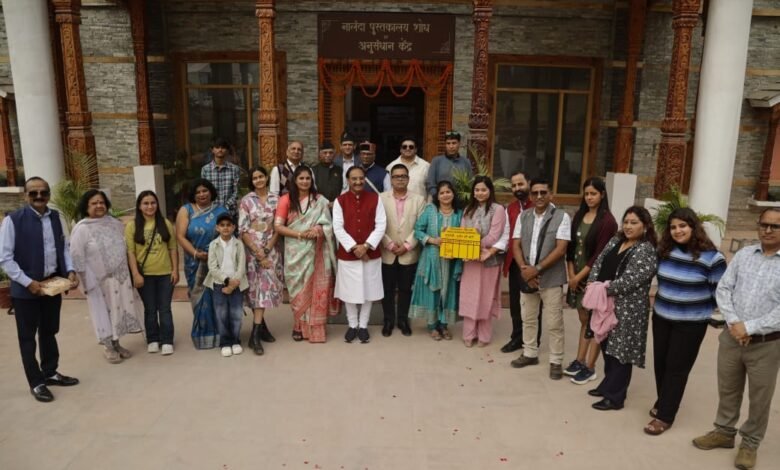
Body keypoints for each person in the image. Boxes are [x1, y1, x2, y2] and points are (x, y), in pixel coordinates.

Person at [692, 207, 780, 470]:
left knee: (760, 397)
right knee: (728, 388)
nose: (768, 230)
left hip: (766, 344)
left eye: (775, 226)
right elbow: (724, 289)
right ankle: (724, 432)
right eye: (764, 224)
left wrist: (749, 328)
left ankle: (750, 443)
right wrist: (735, 323)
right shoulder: (743, 255)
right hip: (732, 337)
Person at [643, 208, 725, 434]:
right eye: (673, 227)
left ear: (693, 227)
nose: (677, 231)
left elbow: (720, 293)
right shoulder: (664, 252)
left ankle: (665, 416)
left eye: (683, 226)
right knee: (661, 364)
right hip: (661, 317)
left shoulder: (712, 258)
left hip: (690, 324)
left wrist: (699, 307)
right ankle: (664, 400)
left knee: (676, 368)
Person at [0, 177, 80, 402]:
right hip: (26, 290)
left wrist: (70, 270)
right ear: (25, 195)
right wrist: (28, 282)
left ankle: (50, 372)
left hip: (51, 286)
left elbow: (64, 248)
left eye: (43, 192)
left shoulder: (56, 217)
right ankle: (36, 382)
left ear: (48, 195)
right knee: (27, 338)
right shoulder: (13, 220)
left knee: (49, 331)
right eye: (33, 193)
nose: (39, 196)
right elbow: (5, 258)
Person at [586, 206, 657, 411]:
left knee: (621, 352)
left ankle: (615, 397)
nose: (628, 226)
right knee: (607, 346)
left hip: (628, 309)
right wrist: (592, 283)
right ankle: (608, 385)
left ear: (645, 226)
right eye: (626, 222)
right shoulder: (616, 241)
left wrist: (601, 289)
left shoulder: (646, 249)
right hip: (605, 304)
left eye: (634, 222)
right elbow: (598, 263)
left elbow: (631, 281)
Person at [70, 190, 145, 364]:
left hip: (119, 278)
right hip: (97, 280)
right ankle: (108, 347)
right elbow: (76, 256)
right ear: (86, 207)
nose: (99, 206)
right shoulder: (82, 228)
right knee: (102, 312)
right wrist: (84, 281)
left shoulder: (115, 223)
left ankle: (116, 343)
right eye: (94, 203)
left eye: (102, 202)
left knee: (117, 310)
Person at [510, 178, 571, 380]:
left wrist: (535, 270)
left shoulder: (561, 216)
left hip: (551, 278)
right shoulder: (524, 216)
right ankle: (530, 353)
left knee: (554, 322)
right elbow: (516, 245)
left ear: (550, 194)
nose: (539, 196)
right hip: (527, 277)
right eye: (535, 193)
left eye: (543, 192)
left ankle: (556, 360)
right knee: (528, 318)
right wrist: (524, 270)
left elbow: (561, 249)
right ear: (530, 195)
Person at [273, 166, 339, 343]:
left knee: (315, 288)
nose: (304, 181)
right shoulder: (286, 199)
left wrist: (318, 229)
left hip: (315, 250)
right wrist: (300, 234)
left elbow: (327, 224)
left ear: (312, 180)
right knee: (297, 290)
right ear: (294, 180)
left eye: (307, 178)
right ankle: (298, 325)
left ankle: (316, 328)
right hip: (294, 250)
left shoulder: (320, 200)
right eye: (301, 178)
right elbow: (278, 226)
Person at [564, 177, 618, 384]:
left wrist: (578, 277)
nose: (589, 197)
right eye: (586, 194)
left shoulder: (608, 221)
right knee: (584, 319)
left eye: (593, 194)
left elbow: (599, 255)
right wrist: (572, 276)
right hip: (576, 277)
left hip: (594, 279)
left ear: (602, 195)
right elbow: (570, 249)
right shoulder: (579, 215)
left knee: (595, 323)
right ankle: (579, 360)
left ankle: (590, 366)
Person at [333, 166, 387, 343]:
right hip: (348, 255)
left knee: (368, 290)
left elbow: (381, 225)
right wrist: (354, 247)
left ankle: (363, 325)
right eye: (354, 179)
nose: (358, 182)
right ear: (348, 180)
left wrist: (366, 246)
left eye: (361, 178)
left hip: (371, 253)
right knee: (349, 291)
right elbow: (337, 228)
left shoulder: (375, 199)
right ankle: (352, 325)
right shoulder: (340, 201)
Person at [175, 178, 228, 349]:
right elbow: (180, 236)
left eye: (205, 191)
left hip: (217, 262)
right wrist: (196, 253)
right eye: (198, 192)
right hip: (194, 263)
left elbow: (229, 234)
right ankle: (203, 335)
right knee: (200, 298)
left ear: (211, 192)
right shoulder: (186, 210)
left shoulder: (221, 210)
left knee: (218, 298)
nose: (201, 194)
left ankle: (222, 335)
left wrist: (215, 254)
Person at [126, 190, 179, 356]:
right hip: (145, 275)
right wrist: (135, 274)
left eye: (153, 203)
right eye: (146, 203)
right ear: (139, 206)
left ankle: (167, 340)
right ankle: (153, 339)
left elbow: (173, 248)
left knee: (165, 308)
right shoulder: (132, 226)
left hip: (165, 273)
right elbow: (130, 252)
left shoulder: (165, 223)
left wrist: (175, 270)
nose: (150, 206)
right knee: (150, 309)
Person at [409, 181, 463, 340]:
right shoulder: (430, 211)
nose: (445, 195)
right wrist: (432, 240)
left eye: (448, 192)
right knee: (433, 291)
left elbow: (465, 235)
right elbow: (418, 230)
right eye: (442, 193)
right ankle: (432, 326)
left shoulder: (459, 214)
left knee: (448, 291)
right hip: (432, 258)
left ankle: (444, 325)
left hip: (451, 260)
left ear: (453, 194)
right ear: (437, 196)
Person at [239, 167, 283, 355]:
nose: (258, 180)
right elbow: (242, 229)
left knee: (265, 289)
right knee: (256, 290)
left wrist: (266, 251)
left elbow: (279, 227)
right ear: (251, 181)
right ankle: (257, 332)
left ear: (266, 177)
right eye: (254, 178)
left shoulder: (276, 199)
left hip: (271, 250)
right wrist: (258, 252)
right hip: (251, 252)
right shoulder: (246, 201)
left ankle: (258, 332)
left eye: (261, 176)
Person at [459, 176, 507, 347]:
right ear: (473, 192)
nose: (480, 193)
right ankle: (469, 334)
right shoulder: (468, 210)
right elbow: (463, 232)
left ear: (490, 191)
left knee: (486, 296)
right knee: (470, 295)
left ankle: (484, 336)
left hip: (489, 260)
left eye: (483, 190)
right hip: (470, 260)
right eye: (477, 190)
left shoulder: (497, 209)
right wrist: (466, 246)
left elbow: (494, 235)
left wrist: (473, 245)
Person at [379, 164, 425, 337]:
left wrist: (407, 245)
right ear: (391, 179)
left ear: (408, 179)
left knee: (406, 289)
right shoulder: (381, 198)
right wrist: (389, 244)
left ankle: (403, 320)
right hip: (387, 251)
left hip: (409, 252)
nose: (400, 179)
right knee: (387, 289)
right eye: (396, 176)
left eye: (403, 176)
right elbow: (377, 225)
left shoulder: (419, 200)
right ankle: (388, 320)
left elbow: (421, 225)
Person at [501, 170, 538, 353]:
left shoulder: (540, 205)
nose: (517, 188)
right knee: (515, 303)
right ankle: (517, 338)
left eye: (520, 184)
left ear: (528, 183)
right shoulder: (511, 208)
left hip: (534, 264)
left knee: (532, 304)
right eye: (514, 185)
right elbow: (507, 236)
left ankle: (532, 342)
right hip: (515, 263)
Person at [204, 213, 248, 357]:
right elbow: (212, 267)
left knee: (236, 314)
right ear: (217, 228)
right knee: (221, 314)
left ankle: (235, 341)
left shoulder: (239, 244)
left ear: (234, 227)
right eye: (222, 225)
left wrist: (233, 284)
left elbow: (241, 266)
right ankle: (225, 342)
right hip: (219, 285)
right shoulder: (213, 245)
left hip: (237, 284)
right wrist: (227, 281)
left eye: (228, 225)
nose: (225, 228)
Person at [201, 137, 241, 217]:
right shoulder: (205, 169)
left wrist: (226, 206)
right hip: (210, 212)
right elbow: (204, 191)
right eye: (217, 147)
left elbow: (237, 192)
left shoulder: (234, 169)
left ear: (227, 150)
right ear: (212, 150)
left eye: (223, 147)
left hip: (230, 212)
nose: (220, 150)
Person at [426, 130, 473, 198]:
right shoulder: (436, 161)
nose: (451, 146)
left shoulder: (466, 162)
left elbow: (470, 184)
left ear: (459, 144)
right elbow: (430, 184)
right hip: (440, 200)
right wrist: (438, 197)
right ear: (445, 145)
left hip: (460, 201)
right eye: (448, 143)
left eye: (454, 143)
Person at [311, 140, 343, 205]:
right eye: (325, 153)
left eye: (331, 153)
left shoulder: (339, 170)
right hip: (318, 205)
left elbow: (343, 188)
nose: (328, 155)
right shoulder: (313, 170)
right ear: (320, 154)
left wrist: (336, 202)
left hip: (336, 204)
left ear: (334, 154)